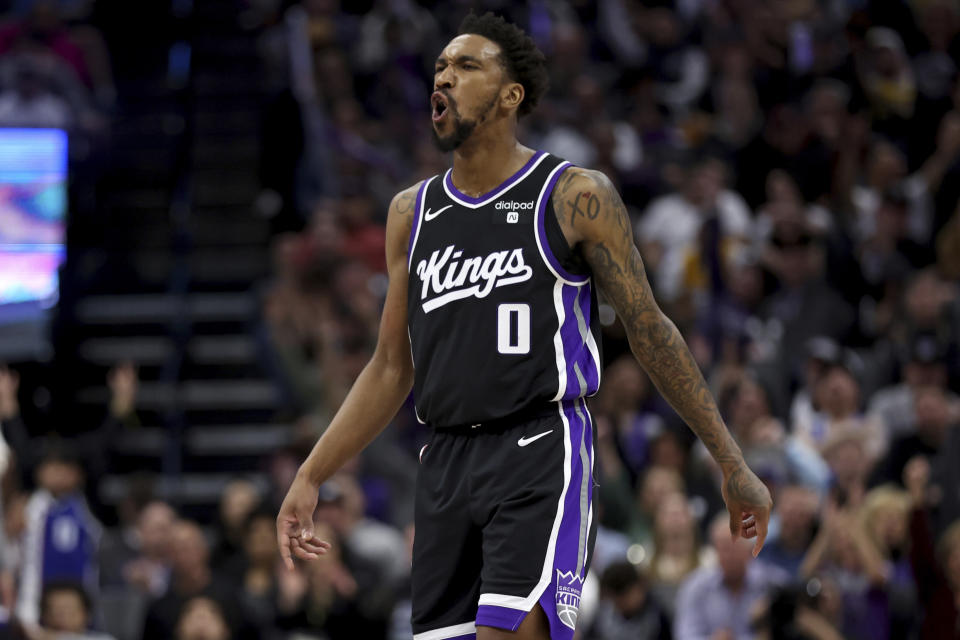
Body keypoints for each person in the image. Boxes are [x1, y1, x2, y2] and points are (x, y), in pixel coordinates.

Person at [276, 12, 772, 640]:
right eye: (439, 68)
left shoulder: (572, 195)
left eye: (465, 66)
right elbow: (390, 367)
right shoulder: (411, 212)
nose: (444, 79)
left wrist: (730, 460)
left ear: (510, 96)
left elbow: (651, 331)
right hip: (446, 459)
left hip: (539, 446)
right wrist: (311, 475)